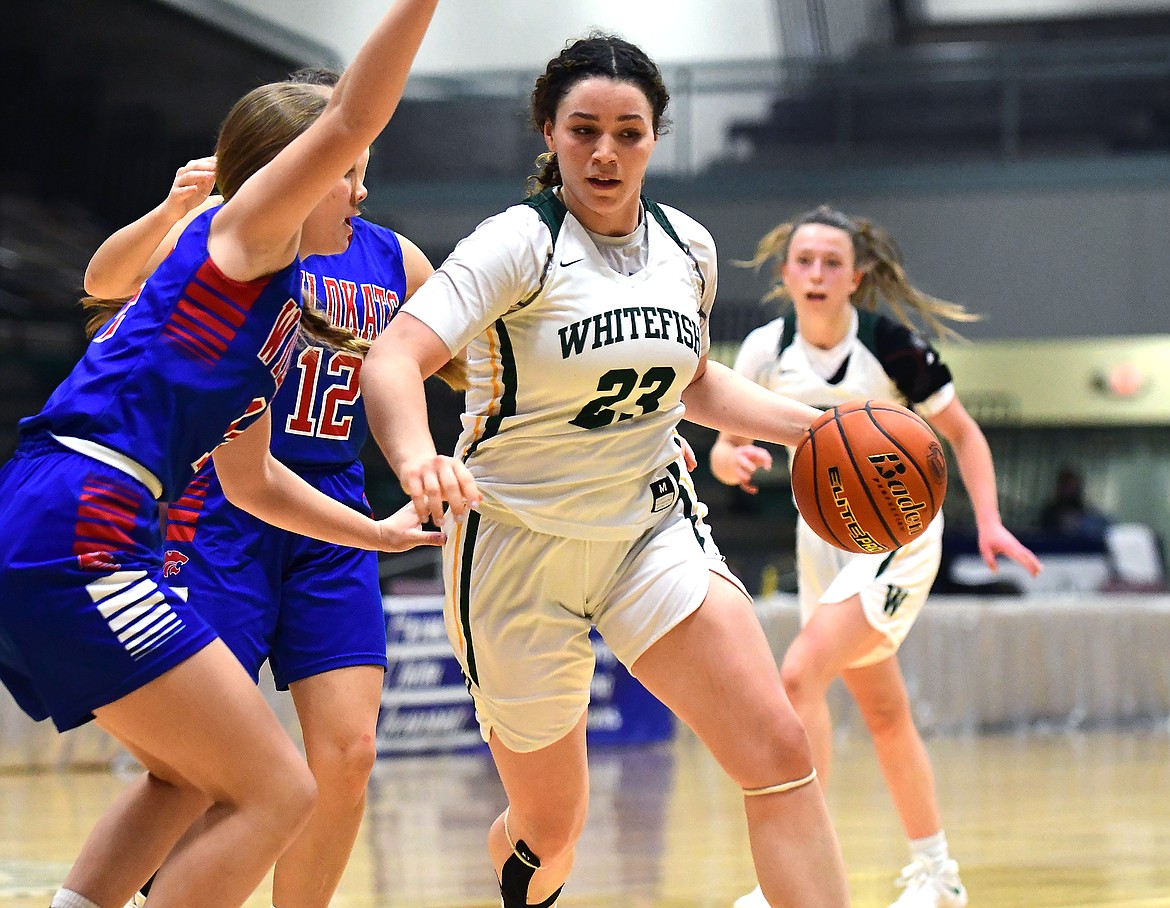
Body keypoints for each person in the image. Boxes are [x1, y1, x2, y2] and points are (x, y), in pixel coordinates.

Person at [360, 34, 851, 908]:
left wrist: (807, 428)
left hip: (647, 529)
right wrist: (415, 459)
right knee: (552, 831)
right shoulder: (517, 244)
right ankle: (523, 865)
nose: (605, 151)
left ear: (655, 138)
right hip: (517, 545)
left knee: (778, 752)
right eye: (583, 129)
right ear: (549, 133)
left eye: (628, 131)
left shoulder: (686, 247)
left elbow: (690, 378)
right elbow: (394, 357)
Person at [0, 3, 444, 906]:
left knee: (186, 779)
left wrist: (380, 536)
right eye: (343, 173)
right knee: (278, 791)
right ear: (290, 172)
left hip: (65, 515)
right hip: (85, 518)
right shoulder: (238, 238)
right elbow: (354, 113)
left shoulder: (262, 307)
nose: (359, 191)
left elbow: (255, 481)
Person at [710, 205, 1042, 908]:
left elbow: (964, 435)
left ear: (856, 277)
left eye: (833, 262)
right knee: (885, 713)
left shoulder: (892, 346)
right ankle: (939, 874)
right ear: (787, 273)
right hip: (821, 542)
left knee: (797, 676)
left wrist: (988, 519)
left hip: (897, 540)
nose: (818, 273)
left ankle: (794, 879)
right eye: (805, 261)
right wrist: (728, 453)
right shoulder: (767, 350)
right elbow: (724, 434)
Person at [1039, 465, 1110, 540]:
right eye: (1066, 485)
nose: (1069, 489)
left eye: (1071, 485)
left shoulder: (1087, 514)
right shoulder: (1049, 513)